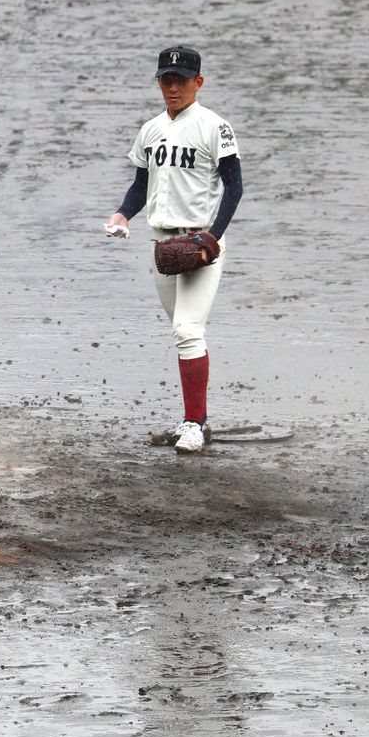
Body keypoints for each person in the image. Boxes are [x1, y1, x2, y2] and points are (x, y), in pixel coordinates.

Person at [105, 46, 244, 454]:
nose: (173, 87)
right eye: (166, 79)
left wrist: (213, 237)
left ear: (198, 82)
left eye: (181, 80)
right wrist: (123, 214)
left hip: (201, 244)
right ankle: (193, 418)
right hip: (164, 246)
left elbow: (235, 188)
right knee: (183, 333)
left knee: (188, 329)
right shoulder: (150, 129)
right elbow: (141, 186)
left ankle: (195, 425)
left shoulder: (214, 127)